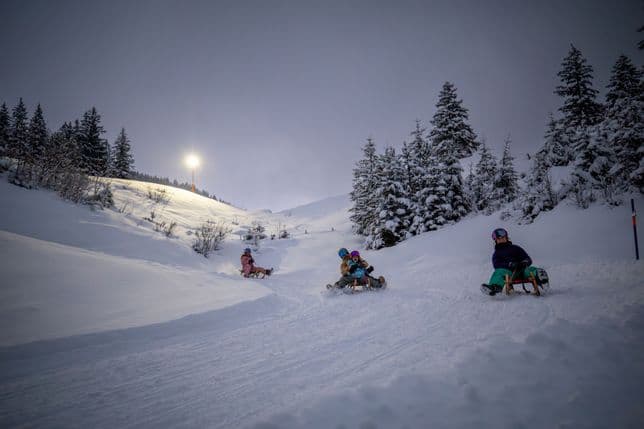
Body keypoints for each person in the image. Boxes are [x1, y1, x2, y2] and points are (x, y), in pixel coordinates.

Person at [481, 228, 544, 295]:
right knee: (499, 272)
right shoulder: (497, 253)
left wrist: (525, 262)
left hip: (522, 270)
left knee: (531, 269)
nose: (501, 239)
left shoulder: (515, 248)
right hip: (509, 273)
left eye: (503, 238)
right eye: (499, 239)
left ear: (507, 238)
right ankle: (494, 287)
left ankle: (541, 277)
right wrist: (510, 264)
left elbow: (527, 258)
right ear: (496, 241)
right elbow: (497, 265)